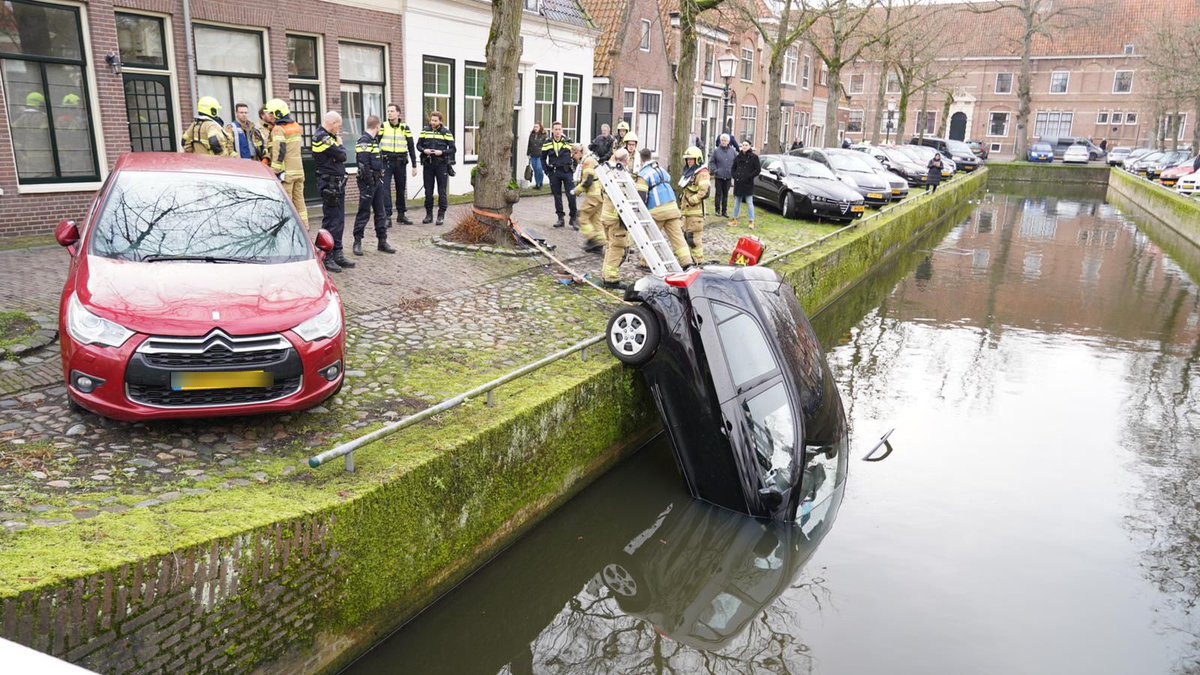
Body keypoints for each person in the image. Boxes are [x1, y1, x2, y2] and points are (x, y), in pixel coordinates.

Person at [636, 148, 694, 268]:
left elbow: (641, 196)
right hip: (672, 207)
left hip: (657, 209)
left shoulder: (643, 174)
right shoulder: (661, 170)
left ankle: (645, 262)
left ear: (641, 160)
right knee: (677, 237)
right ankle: (687, 262)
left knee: (650, 237)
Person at [312, 111, 355, 272]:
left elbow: (340, 156)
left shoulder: (330, 138)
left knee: (339, 220)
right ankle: (325, 256)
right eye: (338, 125)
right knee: (331, 221)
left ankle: (337, 253)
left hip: (337, 183)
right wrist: (340, 145)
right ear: (332, 123)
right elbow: (343, 156)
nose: (339, 129)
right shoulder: (321, 137)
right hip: (329, 184)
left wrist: (337, 147)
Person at [352, 115, 396, 257]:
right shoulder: (364, 141)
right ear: (377, 127)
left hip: (377, 182)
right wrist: (370, 183)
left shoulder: (373, 141)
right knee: (364, 212)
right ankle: (357, 242)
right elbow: (363, 165)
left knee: (381, 212)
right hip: (367, 183)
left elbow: (376, 162)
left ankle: (382, 241)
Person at [265, 98, 308, 228]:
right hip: (299, 172)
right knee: (299, 201)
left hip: (287, 174)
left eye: (271, 113)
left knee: (286, 203)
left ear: (278, 113)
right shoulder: (296, 126)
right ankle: (304, 227)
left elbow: (280, 151)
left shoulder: (278, 129)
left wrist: (274, 171)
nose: (269, 116)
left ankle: (288, 229)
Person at [379, 103, 418, 225]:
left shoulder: (405, 128)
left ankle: (401, 215)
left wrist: (414, 165)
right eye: (388, 111)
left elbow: (411, 147)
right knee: (385, 189)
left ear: (398, 113)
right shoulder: (383, 126)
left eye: (392, 111)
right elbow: (376, 143)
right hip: (386, 162)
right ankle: (387, 216)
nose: (389, 113)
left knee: (401, 189)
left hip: (401, 163)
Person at [599, 148, 632, 290]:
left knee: (611, 246)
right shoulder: (621, 175)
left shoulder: (607, 172)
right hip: (616, 218)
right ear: (626, 160)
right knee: (617, 248)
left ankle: (606, 275)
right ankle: (611, 279)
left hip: (606, 215)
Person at [417, 110, 456, 225]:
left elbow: (453, 149)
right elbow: (418, 145)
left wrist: (442, 152)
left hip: (441, 165)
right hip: (428, 164)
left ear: (440, 121)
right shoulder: (425, 131)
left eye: (435, 120)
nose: (432, 122)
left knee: (441, 191)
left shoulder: (446, 132)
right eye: (431, 120)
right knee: (428, 191)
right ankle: (429, 215)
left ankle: (441, 215)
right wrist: (424, 150)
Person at [542, 121, 578, 229]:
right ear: (552, 130)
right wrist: (547, 171)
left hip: (567, 172)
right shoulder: (547, 143)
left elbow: (576, 155)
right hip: (554, 172)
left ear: (562, 130)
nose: (557, 131)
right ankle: (560, 218)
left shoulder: (568, 142)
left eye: (559, 129)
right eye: (555, 129)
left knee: (571, 195)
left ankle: (573, 218)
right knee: (557, 196)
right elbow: (542, 158)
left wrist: (574, 168)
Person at [678, 146, 710, 263]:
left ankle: (698, 262)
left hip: (695, 213)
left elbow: (704, 191)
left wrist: (693, 200)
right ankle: (689, 262)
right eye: (687, 159)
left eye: (691, 159)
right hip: (686, 213)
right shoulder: (689, 173)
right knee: (686, 237)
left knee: (694, 240)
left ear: (697, 160)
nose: (689, 162)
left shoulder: (702, 173)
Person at [573, 149, 606, 252]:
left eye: (573, 153)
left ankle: (592, 239)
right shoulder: (591, 160)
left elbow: (588, 181)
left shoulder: (587, 162)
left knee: (582, 217)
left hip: (593, 195)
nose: (572, 156)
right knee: (596, 221)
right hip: (600, 195)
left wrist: (576, 191)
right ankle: (599, 243)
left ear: (579, 152)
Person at [730, 141, 760, 228]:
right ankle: (734, 219)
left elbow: (757, 170)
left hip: (748, 183)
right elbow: (733, 168)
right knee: (737, 202)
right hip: (738, 182)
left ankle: (751, 221)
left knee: (749, 202)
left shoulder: (754, 157)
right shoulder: (738, 157)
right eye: (743, 145)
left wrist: (749, 176)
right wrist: (735, 176)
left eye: (746, 145)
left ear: (750, 146)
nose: (744, 147)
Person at [709, 134, 737, 218]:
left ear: (728, 142)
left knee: (726, 194)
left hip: (728, 176)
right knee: (718, 194)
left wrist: (733, 171)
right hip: (719, 176)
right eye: (722, 140)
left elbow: (736, 162)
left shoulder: (732, 151)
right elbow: (712, 162)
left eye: (725, 140)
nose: (723, 142)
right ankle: (717, 210)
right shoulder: (716, 151)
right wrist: (715, 170)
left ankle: (724, 211)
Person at [527, 122, 548, 189]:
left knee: (539, 169)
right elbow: (529, 144)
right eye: (534, 127)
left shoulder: (544, 135)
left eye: (537, 127)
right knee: (535, 170)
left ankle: (540, 183)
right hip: (533, 154)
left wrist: (545, 154)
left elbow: (546, 145)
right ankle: (537, 184)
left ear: (540, 127)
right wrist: (528, 153)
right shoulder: (532, 135)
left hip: (540, 155)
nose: (535, 128)